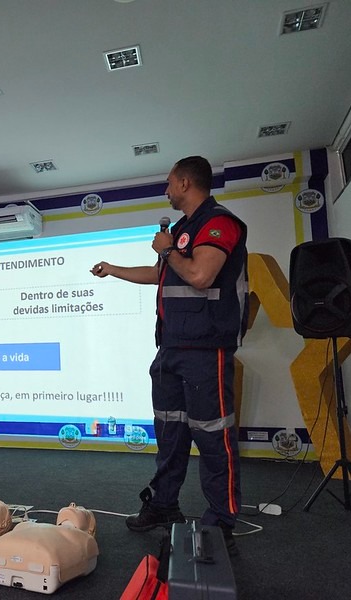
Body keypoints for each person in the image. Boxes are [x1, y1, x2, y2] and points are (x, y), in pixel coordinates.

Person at [91, 155, 247, 555]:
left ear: (184, 183)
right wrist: (113, 269)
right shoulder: (180, 231)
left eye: (168, 183)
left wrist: (168, 250)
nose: (166, 190)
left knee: (213, 437)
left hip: (206, 350)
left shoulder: (219, 223)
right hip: (171, 349)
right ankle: (163, 505)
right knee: (170, 434)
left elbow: (200, 275)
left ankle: (221, 523)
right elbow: (159, 275)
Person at [0, 503, 99, 594]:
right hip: (6, 552)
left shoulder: (85, 540)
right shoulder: (27, 525)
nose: (72, 504)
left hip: (5, 554)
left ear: (89, 531)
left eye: (80, 509)